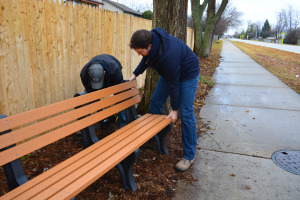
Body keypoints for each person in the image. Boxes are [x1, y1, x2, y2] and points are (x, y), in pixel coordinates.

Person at [129, 28, 200, 172]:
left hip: (188, 73)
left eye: (140, 51)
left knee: (185, 112)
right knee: (155, 102)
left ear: (149, 46)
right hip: (171, 71)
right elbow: (146, 59)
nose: (139, 54)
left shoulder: (168, 55)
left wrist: (174, 110)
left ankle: (189, 155)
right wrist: (135, 73)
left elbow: (173, 84)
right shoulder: (151, 41)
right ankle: (155, 137)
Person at [80, 54, 126, 127]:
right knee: (87, 98)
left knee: (121, 98)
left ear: (104, 72)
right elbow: (91, 94)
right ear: (89, 73)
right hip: (100, 73)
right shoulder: (84, 74)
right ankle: (85, 126)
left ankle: (123, 123)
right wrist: (100, 113)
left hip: (113, 70)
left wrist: (117, 106)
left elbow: (120, 92)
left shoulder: (115, 71)